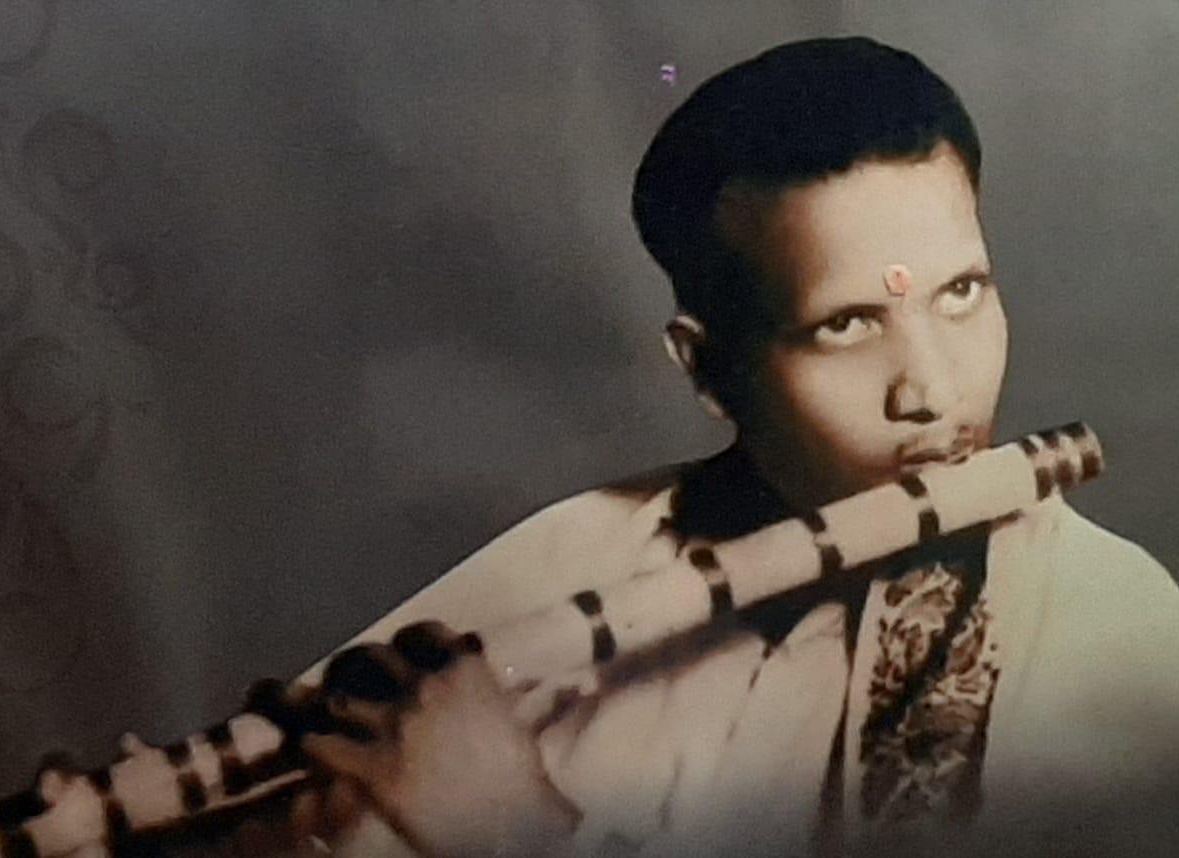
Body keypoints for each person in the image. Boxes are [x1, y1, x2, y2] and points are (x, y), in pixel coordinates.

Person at [292, 37, 1179, 857]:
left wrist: (515, 828)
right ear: (708, 366)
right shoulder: (573, 555)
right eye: (847, 324)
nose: (932, 392)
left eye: (961, 294)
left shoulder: (1111, 630)